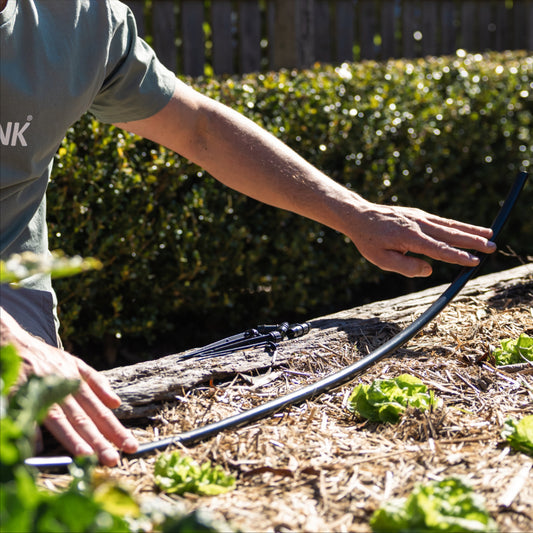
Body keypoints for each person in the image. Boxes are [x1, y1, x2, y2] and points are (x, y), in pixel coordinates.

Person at [0, 0, 496, 467]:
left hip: (11, 279)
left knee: (30, 439)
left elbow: (199, 129)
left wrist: (356, 214)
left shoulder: (80, 21)